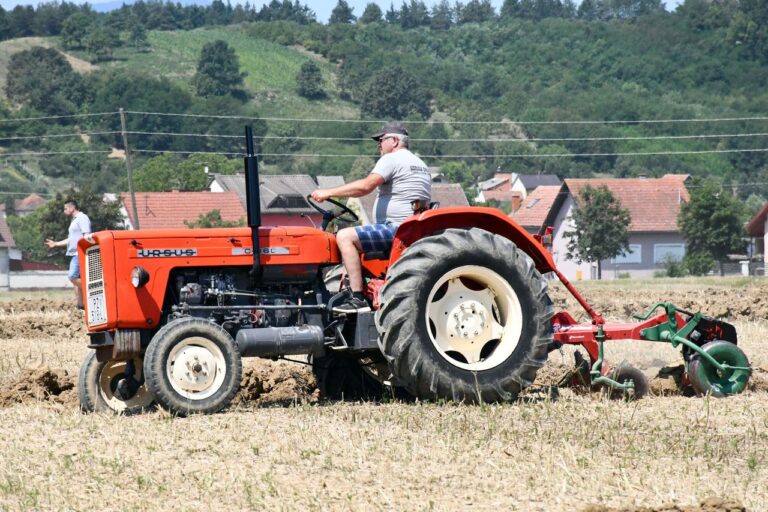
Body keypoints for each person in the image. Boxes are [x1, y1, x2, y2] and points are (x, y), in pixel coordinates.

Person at [310, 121, 431, 313]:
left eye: (381, 140)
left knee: (344, 236)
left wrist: (328, 192)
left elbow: (366, 186)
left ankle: (357, 298)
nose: (379, 145)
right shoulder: (420, 164)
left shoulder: (392, 159)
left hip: (396, 228)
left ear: (395, 141)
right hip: (411, 228)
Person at [46, 200, 91, 309]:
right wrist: (56, 243)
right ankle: (81, 306)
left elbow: (87, 236)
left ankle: (91, 290)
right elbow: (71, 239)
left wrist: (84, 251)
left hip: (79, 253)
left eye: (65, 208)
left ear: (72, 208)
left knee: (72, 276)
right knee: (76, 282)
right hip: (74, 253)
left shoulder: (82, 218)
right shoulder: (74, 220)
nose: (64, 210)